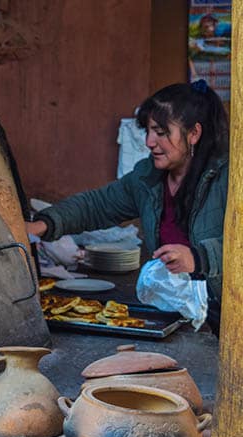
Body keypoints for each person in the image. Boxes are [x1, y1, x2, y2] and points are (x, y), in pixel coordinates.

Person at [26, 80, 228, 336]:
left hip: (229, 321)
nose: (149, 142)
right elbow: (97, 205)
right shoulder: (149, 179)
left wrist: (198, 258)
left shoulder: (228, 178)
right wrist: (41, 225)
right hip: (181, 317)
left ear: (193, 134)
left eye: (161, 132)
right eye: (148, 131)